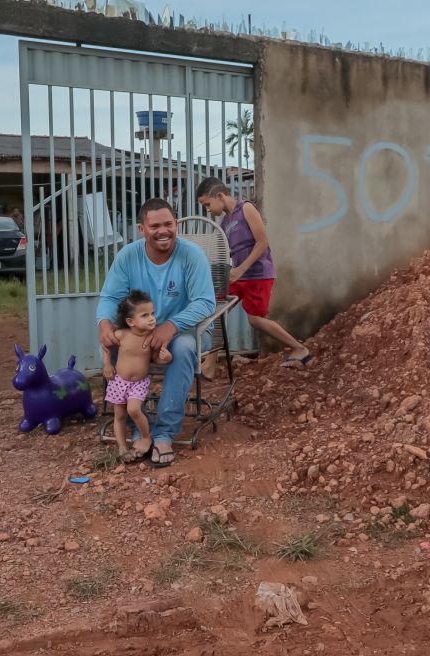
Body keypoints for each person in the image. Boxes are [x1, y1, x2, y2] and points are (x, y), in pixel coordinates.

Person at [95, 199, 216, 468]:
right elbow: (110, 297)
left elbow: (205, 302)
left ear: (176, 224)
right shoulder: (128, 256)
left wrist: (170, 327)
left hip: (188, 331)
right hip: (140, 333)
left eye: (169, 224)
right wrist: (104, 323)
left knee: (183, 348)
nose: (163, 231)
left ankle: (164, 434)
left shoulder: (192, 255)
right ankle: (141, 429)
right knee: (112, 344)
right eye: (155, 226)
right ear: (142, 229)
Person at [195, 176, 312, 368]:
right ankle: (209, 365)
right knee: (217, 311)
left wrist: (241, 268)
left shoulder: (246, 208)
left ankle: (300, 349)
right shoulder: (225, 223)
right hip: (239, 276)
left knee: (255, 320)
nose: (207, 210)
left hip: (258, 274)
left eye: (207, 204)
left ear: (219, 196)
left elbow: (262, 242)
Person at [101, 290, 171, 462]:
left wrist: (167, 358)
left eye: (152, 313)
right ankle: (122, 447)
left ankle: (146, 437)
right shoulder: (122, 334)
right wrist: (107, 364)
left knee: (133, 409)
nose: (151, 318)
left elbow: (155, 359)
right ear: (131, 321)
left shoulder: (152, 338)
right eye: (145, 315)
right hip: (119, 381)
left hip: (138, 383)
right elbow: (106, 346)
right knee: (119, 416)